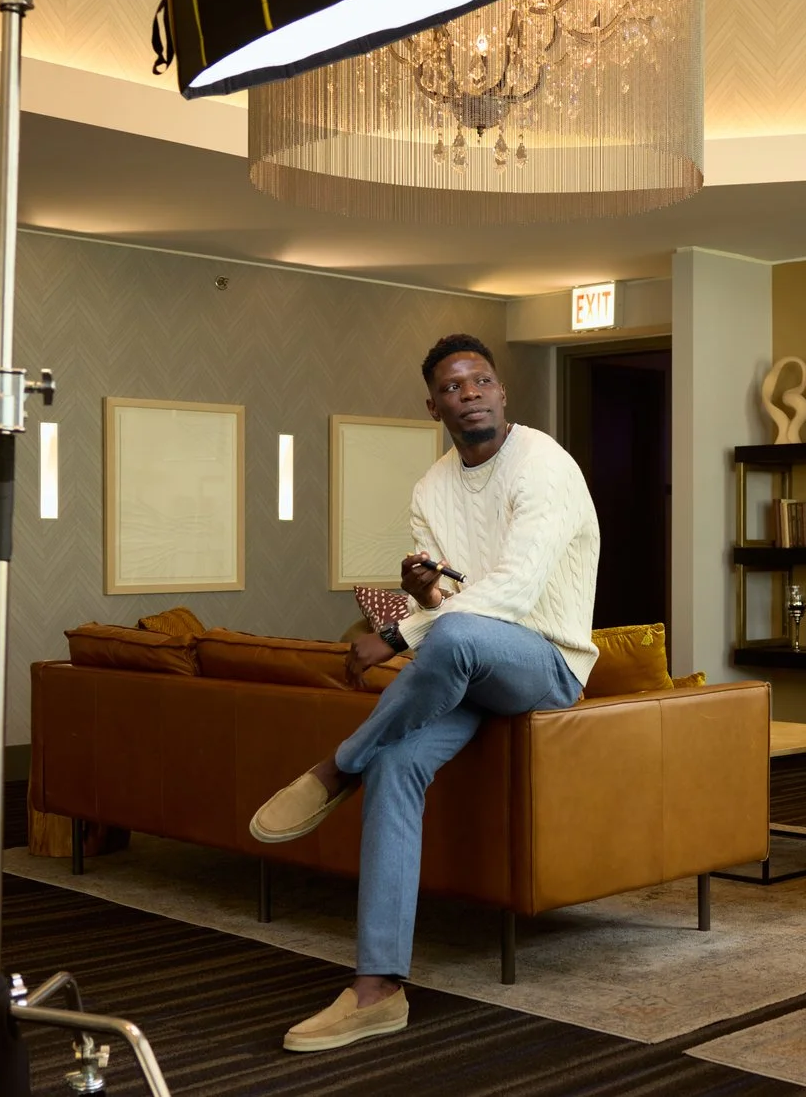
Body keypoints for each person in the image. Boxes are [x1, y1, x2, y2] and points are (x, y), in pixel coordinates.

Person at [248, 333, 602, 1052]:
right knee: (397, 765)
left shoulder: (546, 466)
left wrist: (405, 631)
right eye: (452, 386)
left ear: (503, 393)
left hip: (547, 665)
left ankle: (337, 764)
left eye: (480, 381)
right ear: (433, 404)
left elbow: (515, 590)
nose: (468, 394)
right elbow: (456, 592)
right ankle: (378, 988)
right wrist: (426, 592)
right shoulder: (431, 487)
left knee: (448, 641)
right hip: (468, 664)